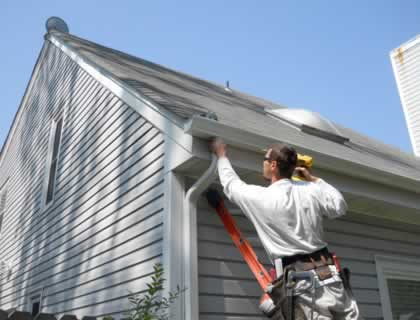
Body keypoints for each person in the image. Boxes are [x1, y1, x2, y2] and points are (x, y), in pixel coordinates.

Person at [210, 138, 362, 320]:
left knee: (270, 305)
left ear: (273, 165)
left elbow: (231, 184)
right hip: (329, 276)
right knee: (267, 303)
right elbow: (339, 205)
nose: (263, 163)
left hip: (302, 284)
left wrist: (221, 155)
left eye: (265, 160)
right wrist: (314, 179)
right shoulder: (311, 189)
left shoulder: (262, 197)